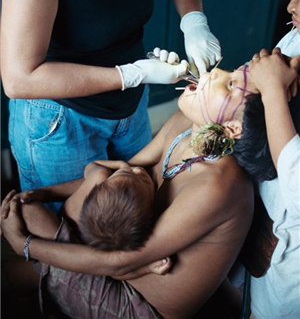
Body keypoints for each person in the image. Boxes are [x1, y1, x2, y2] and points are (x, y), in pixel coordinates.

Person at [4, 51, 299, 319]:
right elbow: (122, 173)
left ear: (233, 128)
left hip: (137, 302)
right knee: (29, 210)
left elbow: (119, 264)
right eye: (226, 72)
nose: (213, 73)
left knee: (29, 246)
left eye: (231, 85)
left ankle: (33, 275)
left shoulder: (218, 184)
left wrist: (26, 246)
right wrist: (43, 193)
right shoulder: (185, 123)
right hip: (125, 264)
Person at [0, 0, 221, 212]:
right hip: (62, 119)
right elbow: (18, 78)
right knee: (78, 228)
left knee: (133, 213)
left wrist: (194, 23)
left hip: (129, 107)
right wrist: (131, 74)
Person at [235, 0, 300, 319]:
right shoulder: (293, 37)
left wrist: (273, 91)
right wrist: (263, 75)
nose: (290, 6)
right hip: (267, 216)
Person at [15, 158, 157, 251]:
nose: (138, 170)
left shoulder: (99, 175)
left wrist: (122, 167)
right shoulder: (100, 175)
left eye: (145, 180)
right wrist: (123, 166)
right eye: (126, 172)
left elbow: (92, 166)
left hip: (61, 233)